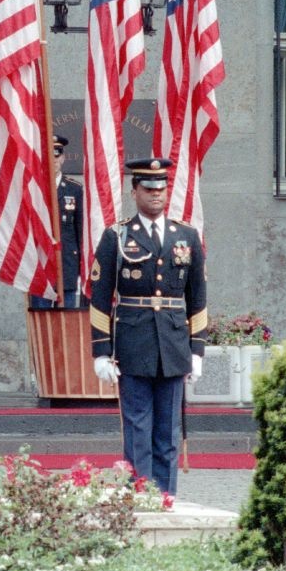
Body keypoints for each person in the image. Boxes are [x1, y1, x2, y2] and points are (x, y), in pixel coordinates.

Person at [88, 157, 208, 495]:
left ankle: (166, 498)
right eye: (149, 189)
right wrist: (100, 351)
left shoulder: (185, 236)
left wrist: (196, 350)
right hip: (133, 344)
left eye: (161, 188)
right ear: (135, 191)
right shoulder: (117, 236)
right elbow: (99, 298)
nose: (156, 195)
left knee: (167, 432)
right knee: (138, 429)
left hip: (172, 347)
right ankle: (140, 498)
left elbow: (197, 298)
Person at [29, 134, 87, 309]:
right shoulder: (33, 188)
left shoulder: (75, 189)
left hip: (67, 265)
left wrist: (81, 266)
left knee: (66, 321)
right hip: (40, 264)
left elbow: (80, 230)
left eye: (56, 156)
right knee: (41, 319)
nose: (52, 160)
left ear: (62, 157)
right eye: (48, 156)